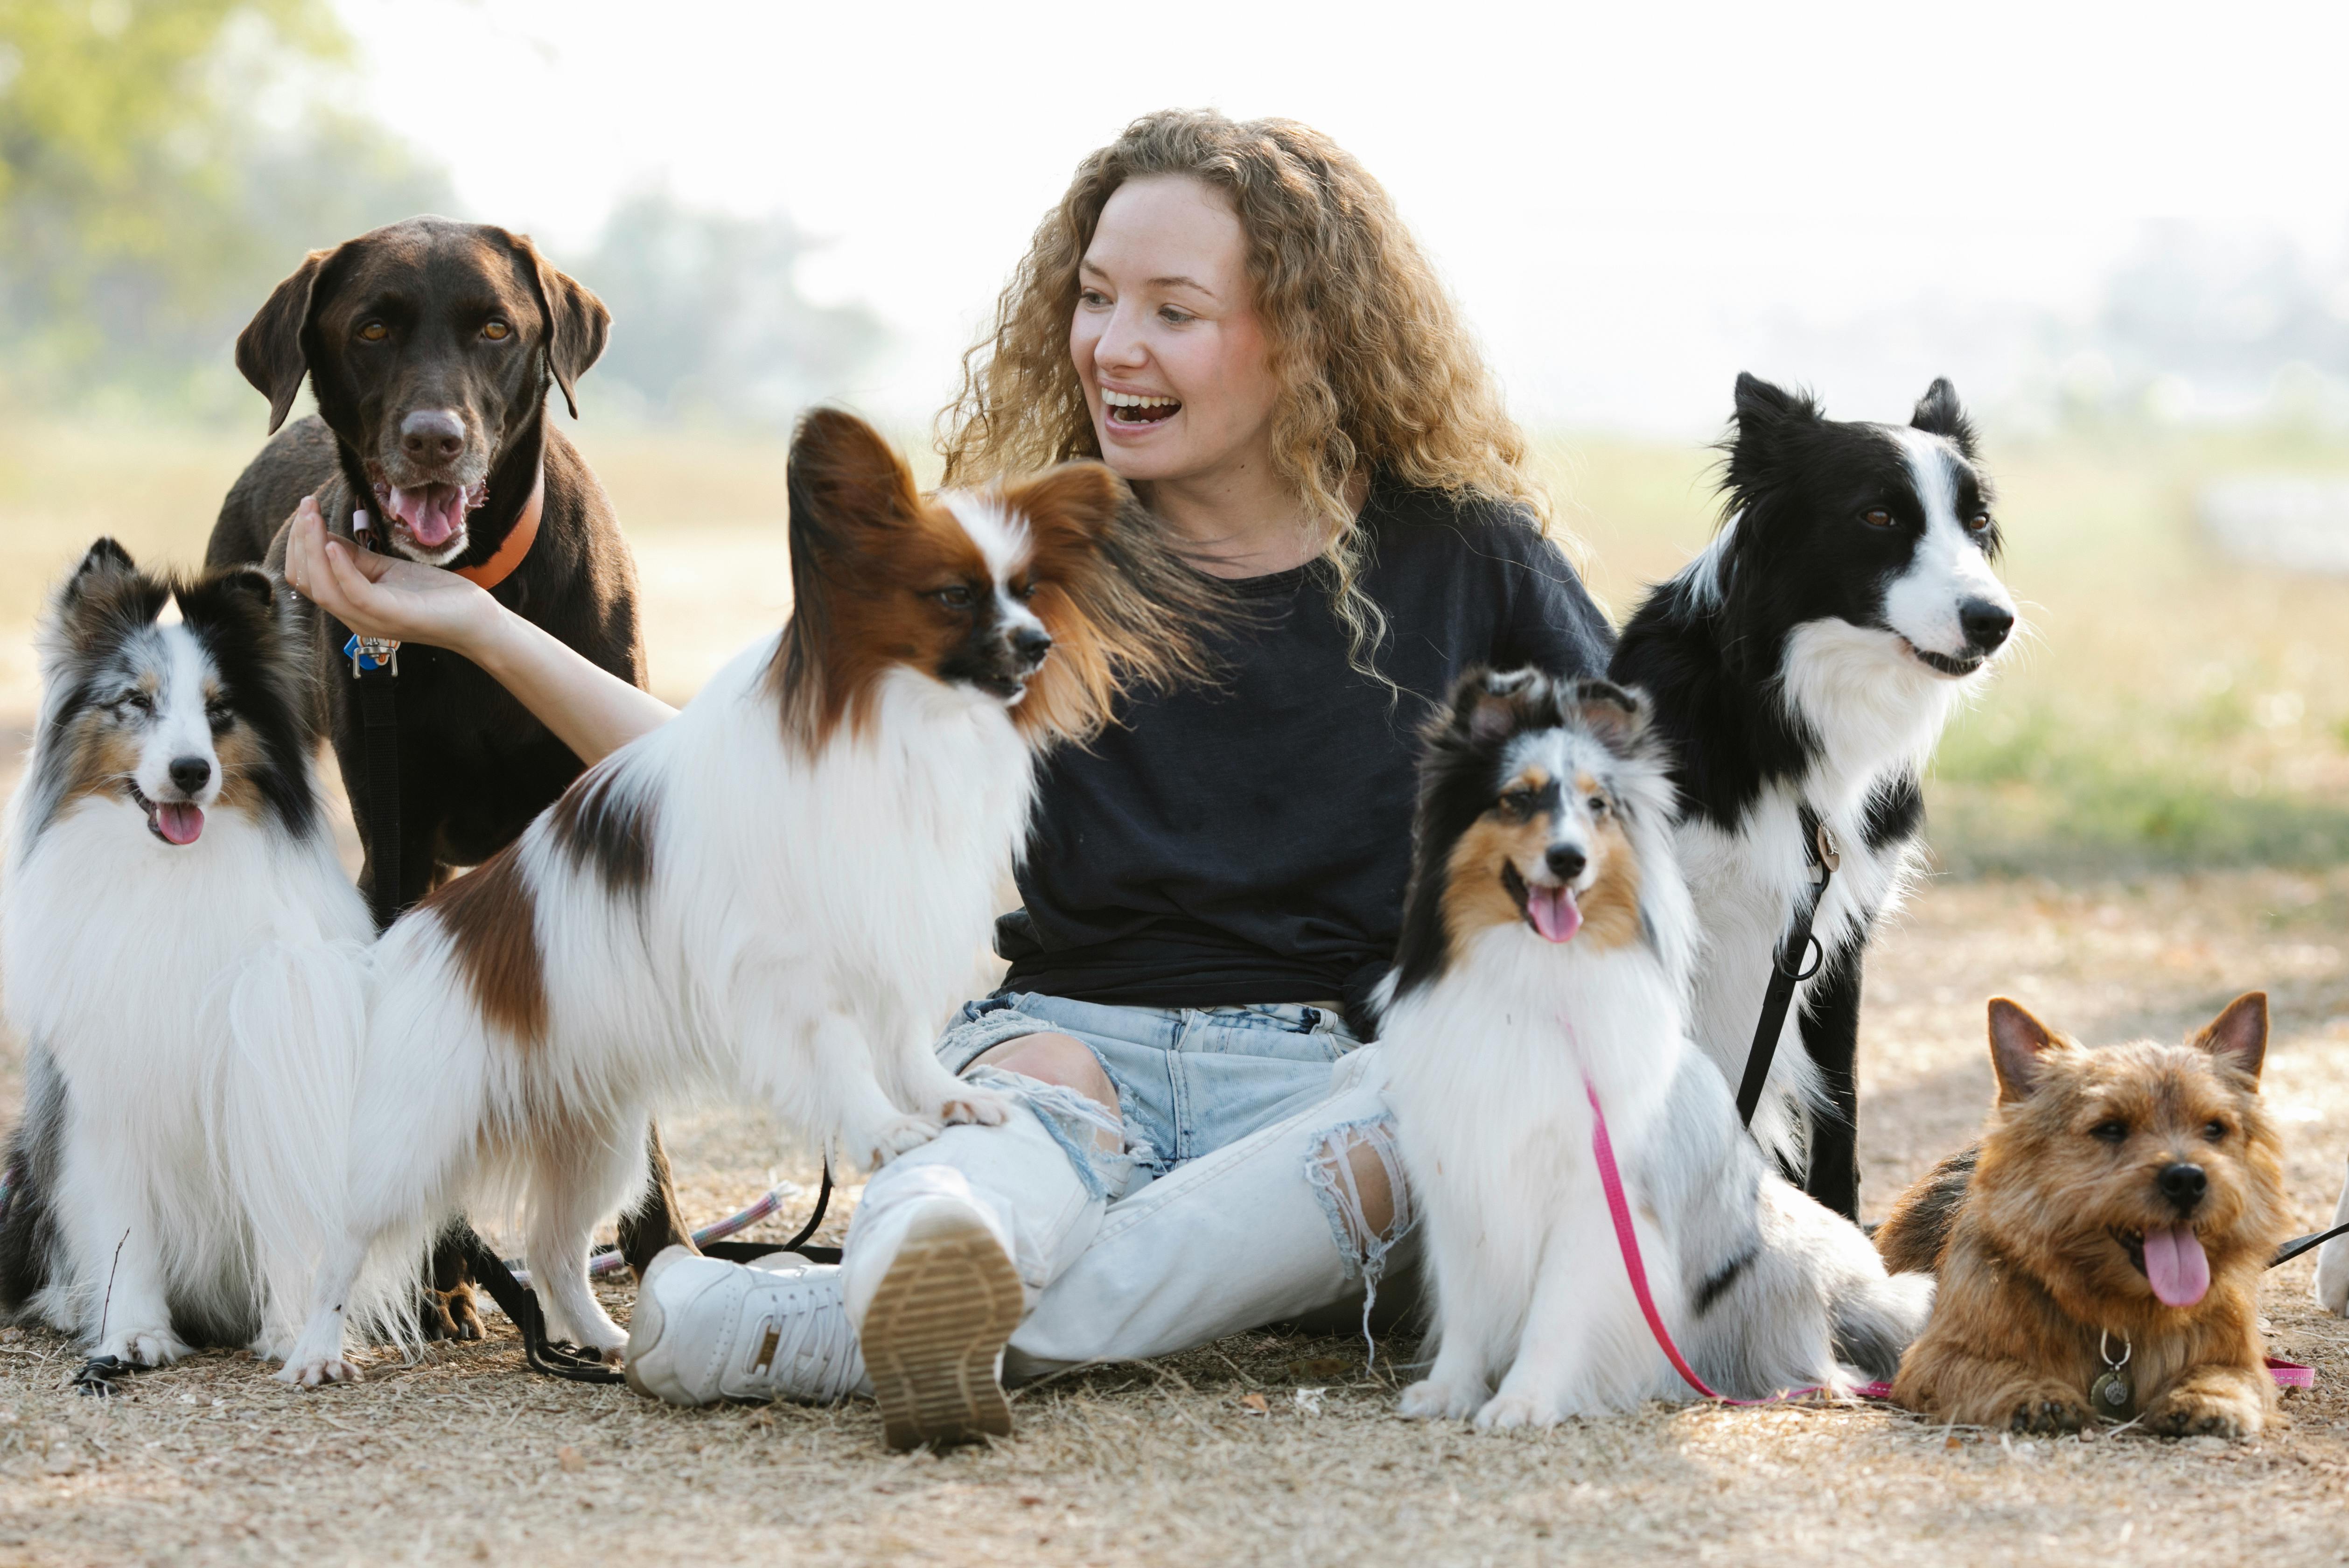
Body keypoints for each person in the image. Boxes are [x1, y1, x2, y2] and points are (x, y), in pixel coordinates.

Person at [281, 108, 1613, 1448]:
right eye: (1094, 299)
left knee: (1418, 1122)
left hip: (1328, 1076)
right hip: (1061, 1054)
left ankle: (799, 1331)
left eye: (1173, 309)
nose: (1113, 345)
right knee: (960, 1180)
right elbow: (738, 779)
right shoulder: (1000, 560)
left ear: (1309, 333)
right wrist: (470, 621)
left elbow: (1652, 814)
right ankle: (925, 1282)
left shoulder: (1472, 560)